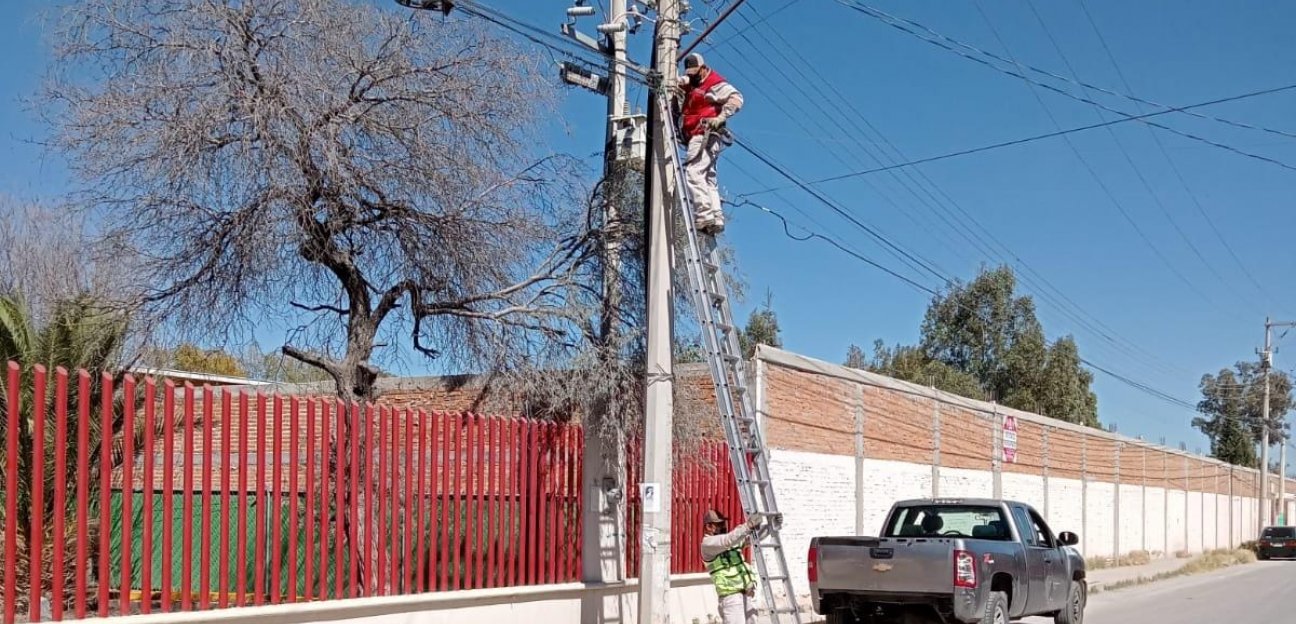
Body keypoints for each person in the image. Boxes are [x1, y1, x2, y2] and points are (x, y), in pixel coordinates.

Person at [677, 53, 744, 234]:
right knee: (708, 178)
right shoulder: (692, 80)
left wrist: (721, 117)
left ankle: (704, 215)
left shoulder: (715, 84)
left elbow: (737, 98)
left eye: (695, 72)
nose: (692, 76)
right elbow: (681, 81)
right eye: (690, 73)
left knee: (693, 172)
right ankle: (716, 217)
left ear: (704, 68)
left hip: (703, 135)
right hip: (697, 135)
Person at [701, 508, 765, 624]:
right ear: (708, 527)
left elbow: (754, 539)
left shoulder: (730, 541)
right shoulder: (708, 544)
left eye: (723, 523)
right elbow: (727, 540)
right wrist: (748, 525)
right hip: (731, 597)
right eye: (719, 524)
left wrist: (771, 527)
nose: (723, 526)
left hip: (747, 593)